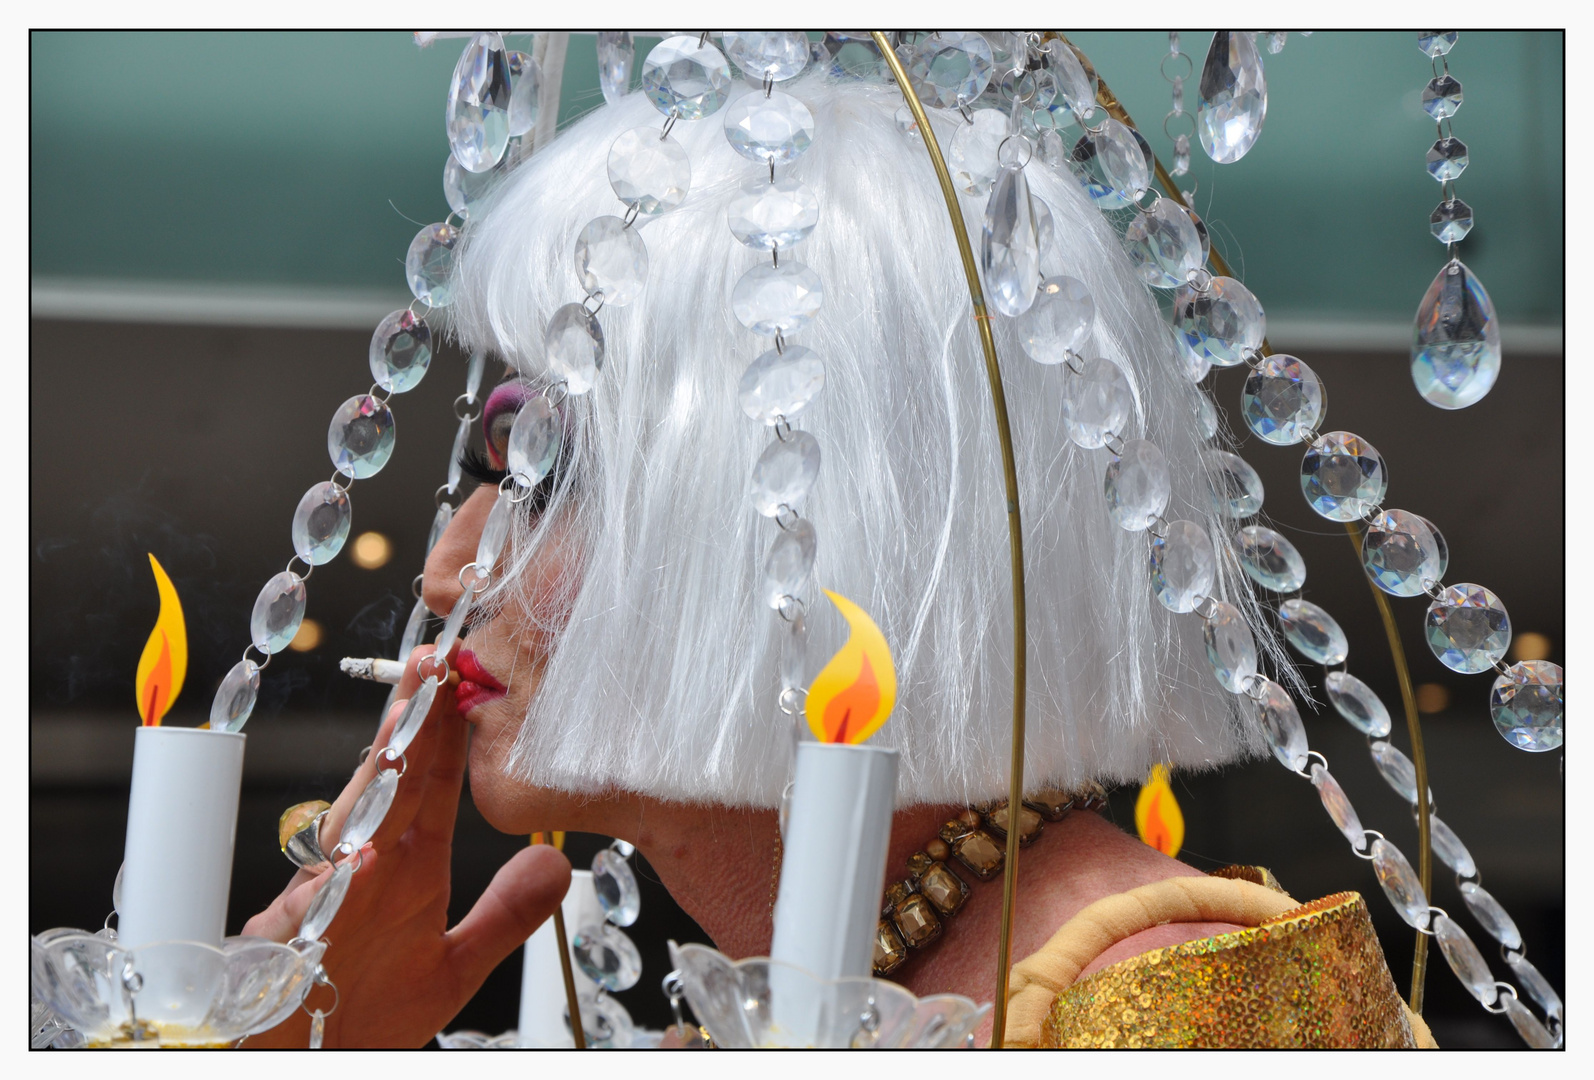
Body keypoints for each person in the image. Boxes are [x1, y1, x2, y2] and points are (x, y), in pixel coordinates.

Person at [241, 66, 1428, 1048]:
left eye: (547, 475)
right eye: (492, 469)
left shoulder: (1179, 1020)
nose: (448, 571)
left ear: (794, 519)